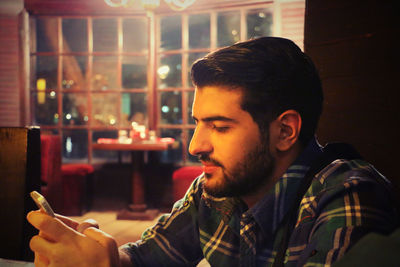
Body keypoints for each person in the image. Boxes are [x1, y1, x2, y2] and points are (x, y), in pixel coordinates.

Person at [27, 37, 398, 266]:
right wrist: (104, 256)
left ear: (285, 131)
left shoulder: (347, 197)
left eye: (219, 127)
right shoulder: (218, 189)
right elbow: (144, 258)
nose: (195, 146)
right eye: (197, 123)